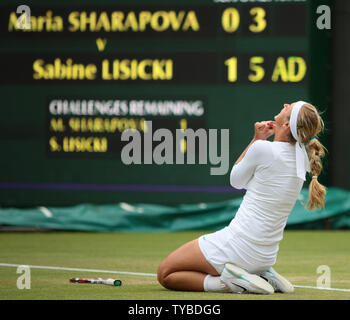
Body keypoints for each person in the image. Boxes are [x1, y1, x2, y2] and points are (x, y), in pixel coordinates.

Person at [157, 101, 327, 294]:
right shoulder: (302, 160)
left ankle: (230, 282)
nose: (285, 104)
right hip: (266, 256)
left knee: (166, 273)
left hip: (237, 248)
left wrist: (256, 139)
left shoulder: (263, 149)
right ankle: (262, 275)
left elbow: (236, 180)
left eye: (288, 107)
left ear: (287, 125)